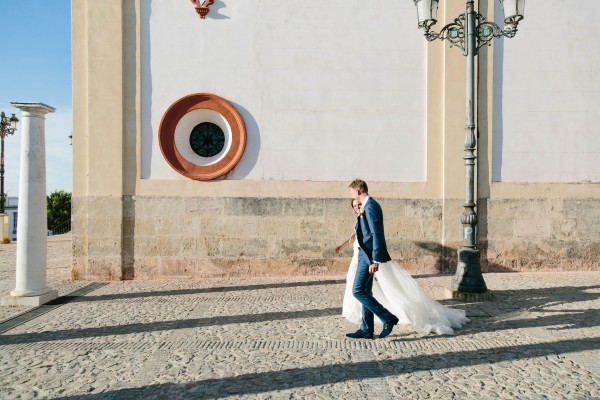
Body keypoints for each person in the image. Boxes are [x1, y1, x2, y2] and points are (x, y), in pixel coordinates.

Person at [338, 179, 469, 338]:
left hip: (368, 257)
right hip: (363, 255)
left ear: (358, 191)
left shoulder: (371, 207)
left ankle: (388, 318)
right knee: (366, 291)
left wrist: (375, 260)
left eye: (352, 193)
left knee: (357, 290)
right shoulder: (367, 207)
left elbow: (376, 235)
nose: (352, 196)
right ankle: (366, 329)